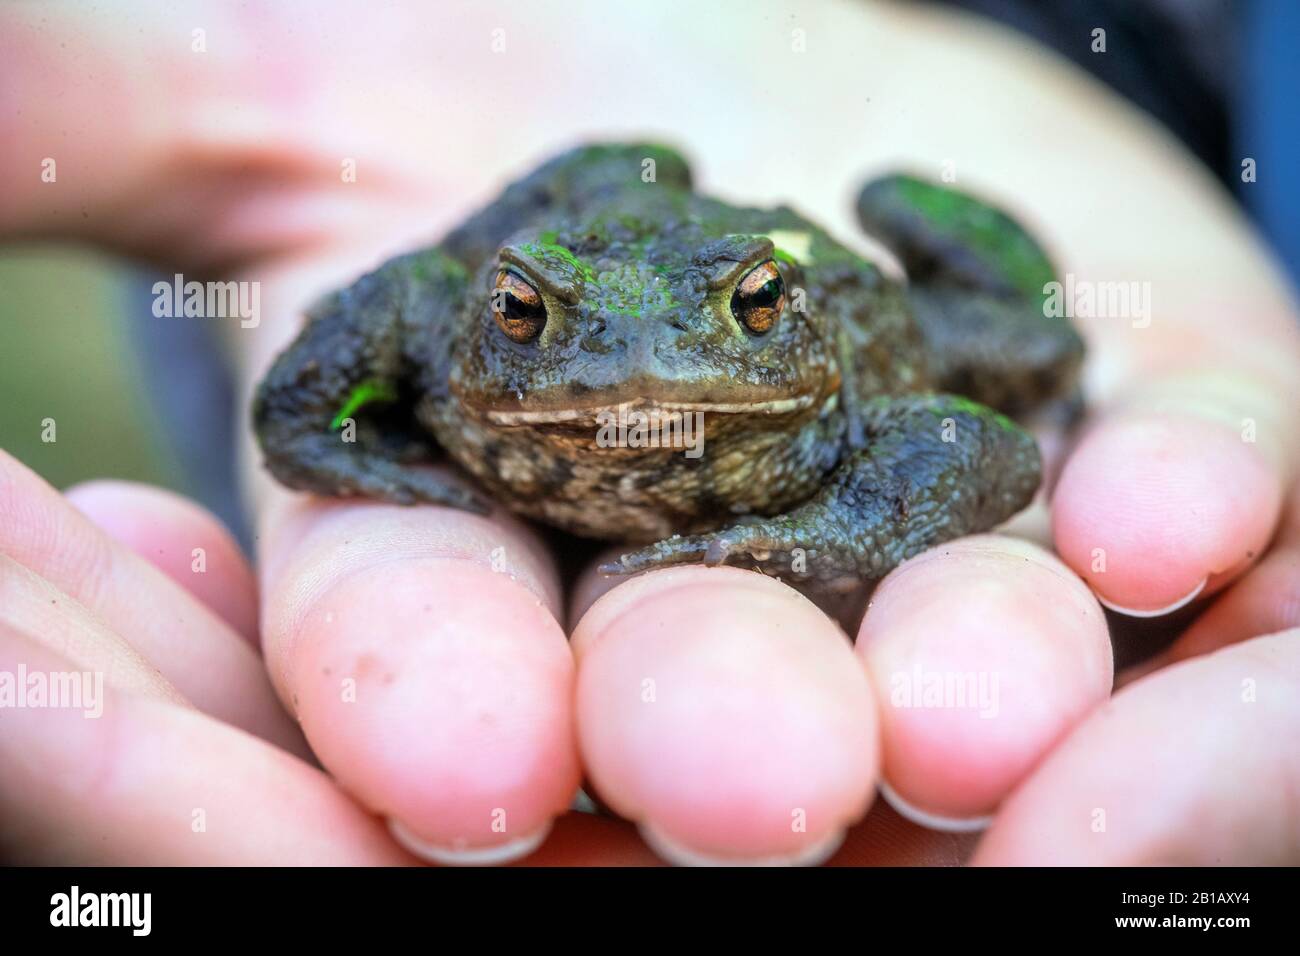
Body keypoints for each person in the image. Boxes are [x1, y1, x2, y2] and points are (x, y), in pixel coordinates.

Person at [0, 0, 1296, 865]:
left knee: (1035, 347)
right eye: (521, 313)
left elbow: (981, 443)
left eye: (745, 311)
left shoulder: (830, 371)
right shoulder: (454, 333)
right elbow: (397, 306)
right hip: (577, 252)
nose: (632, 374)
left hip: (844, 304)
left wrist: (805, 533)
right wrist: (319, 436)